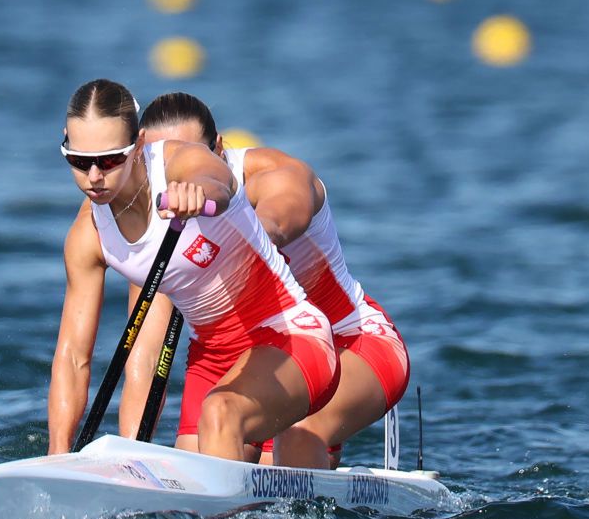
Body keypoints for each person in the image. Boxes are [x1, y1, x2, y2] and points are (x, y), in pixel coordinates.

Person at [48, 79, 341, 467]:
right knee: (187, 463)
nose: (95, 176)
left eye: (110, 160)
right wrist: (56, 460)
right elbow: (73, 357)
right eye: (79, 162)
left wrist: (198, 192)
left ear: (139, 147)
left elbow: (214, 176)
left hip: (293, 340)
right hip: (215, 360)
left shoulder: (176, 160)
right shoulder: (87, 234)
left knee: (218, 414)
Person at [118, 92, 410, 469]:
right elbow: (145, 359)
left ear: (218, 151)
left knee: (293, 432)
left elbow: (278, 219)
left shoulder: (274, 174)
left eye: (191, 157)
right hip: (237, 356)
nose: (181, 177)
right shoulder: (153, 217)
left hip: (349, 342)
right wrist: (128, 464)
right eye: (166, 161)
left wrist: (230, 239)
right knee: (191, 468)